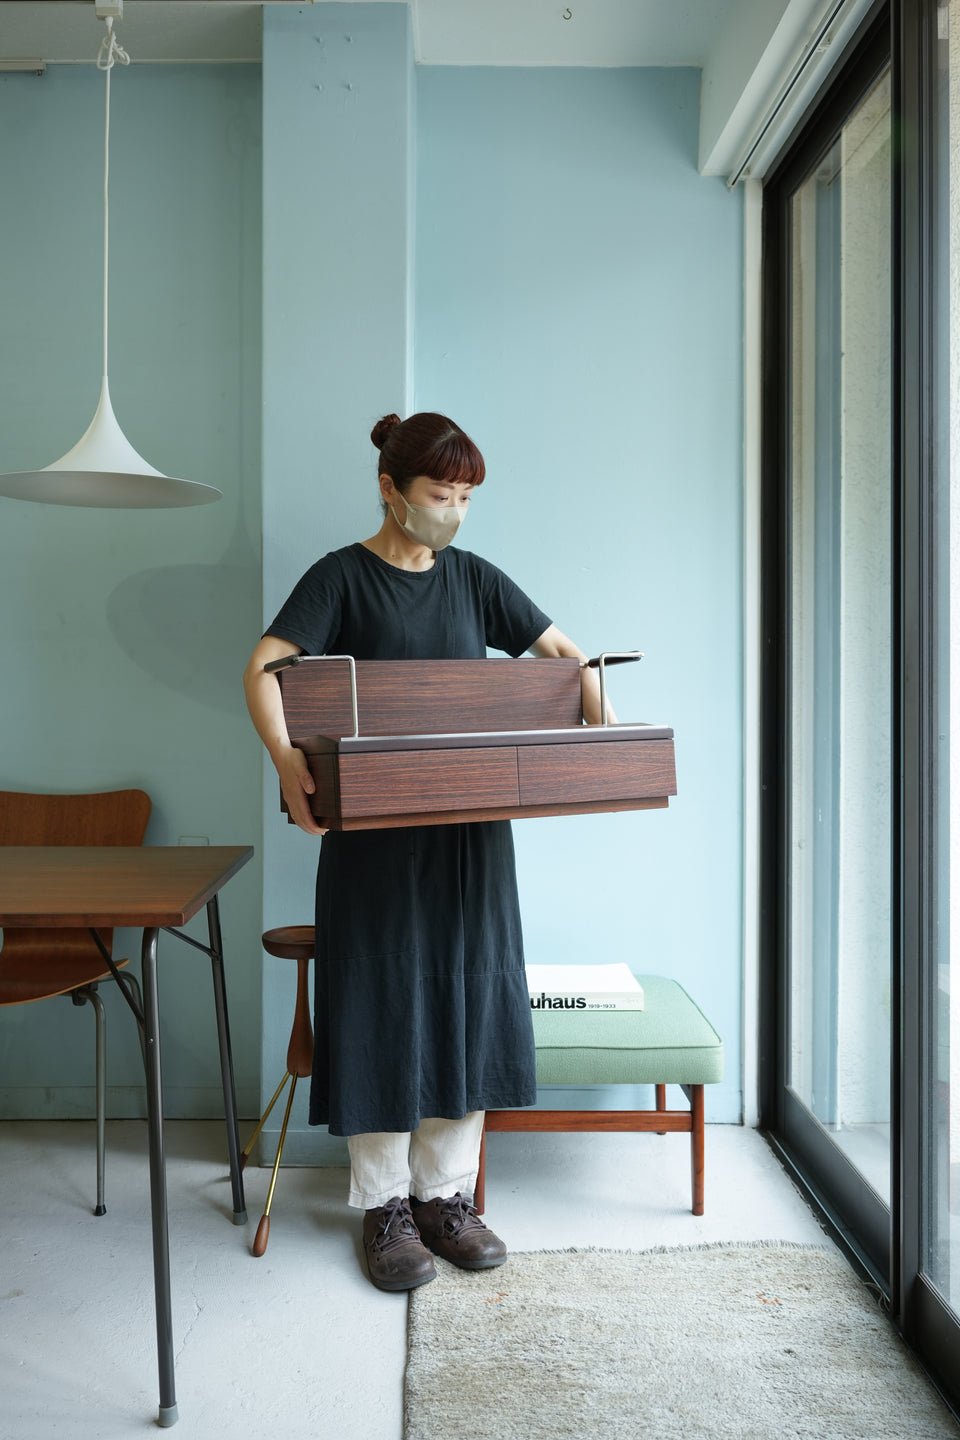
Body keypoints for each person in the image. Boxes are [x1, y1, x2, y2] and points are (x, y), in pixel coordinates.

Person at [243, 412, 613, 1293]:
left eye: (466, 498)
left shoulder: (476, 580)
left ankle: (446, 1196)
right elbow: (264, 667)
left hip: (472, 837)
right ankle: (384, 1207)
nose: (453, 511)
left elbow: (562, 654)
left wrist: (599, 717)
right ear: (390, 491)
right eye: (439, 495)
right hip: (374, 840)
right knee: (379, 994)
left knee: (468, 995)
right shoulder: (341, 576)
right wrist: (288, 763)